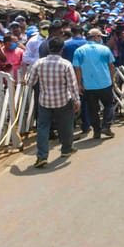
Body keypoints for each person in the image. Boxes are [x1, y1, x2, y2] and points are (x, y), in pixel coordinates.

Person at [25, 36, 80, 168]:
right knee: (66, 126)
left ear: (49, 49)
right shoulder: (66, 64)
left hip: (45, 101)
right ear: (61, 50)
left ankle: (42, 156)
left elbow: (30, 82)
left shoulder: (39, 63)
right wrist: (77, 100)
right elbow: (72, 85)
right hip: (63, 100)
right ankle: (66, 149)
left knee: (43, 128)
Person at [73, 28, 117, 139]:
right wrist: (113, 79)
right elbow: (111, 66)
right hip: (104, 82)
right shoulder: (104, 49)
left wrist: (79, 84)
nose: (101, 39)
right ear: (96, 37)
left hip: (88, 85)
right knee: (109, 105)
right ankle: (106, 126)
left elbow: (77, 69)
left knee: (92, 109)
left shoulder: (79, 51)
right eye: (100, 36)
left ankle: (97, 131)